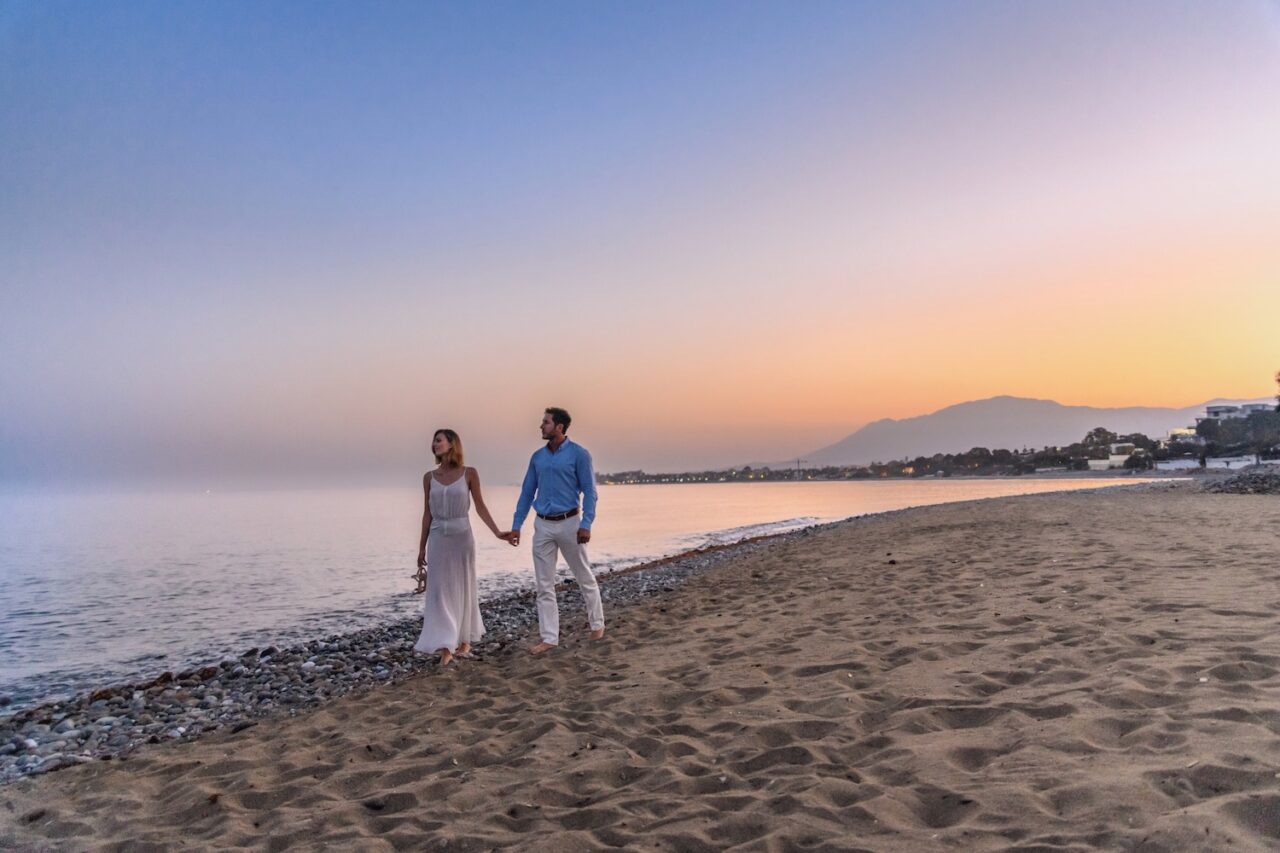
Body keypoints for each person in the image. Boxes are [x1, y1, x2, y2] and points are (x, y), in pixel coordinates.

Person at [507, 407, 605, 655]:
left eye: (546, 422)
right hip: (543, 525)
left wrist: (586, 524)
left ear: (559, 426)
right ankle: (549, 638)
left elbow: (590, 492)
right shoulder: (537, 458)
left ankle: (597, 625)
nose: (541, 426)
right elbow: (527, 493)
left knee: (583, 575)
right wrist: (516, 525)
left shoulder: (579, 454)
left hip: (571, 523)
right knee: (543, 584)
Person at [413, 429, 509, 666]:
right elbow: (427, 514)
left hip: (461, 537)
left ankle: (463, 640)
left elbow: (480, 507)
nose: (434, 444)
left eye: (439, 440)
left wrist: (497, 532)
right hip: (437, 537)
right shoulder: (429, 477)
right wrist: (421, 548)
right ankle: (446, 643)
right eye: (433, 441)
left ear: (452, 444)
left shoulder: (469, 473)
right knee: (439, 590)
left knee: (463, 586)